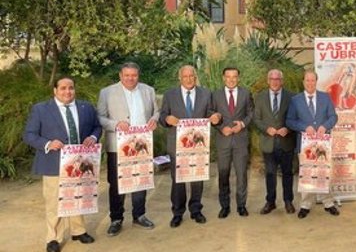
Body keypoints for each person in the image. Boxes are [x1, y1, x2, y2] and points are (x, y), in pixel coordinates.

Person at [23, 77, 102, 252]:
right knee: (54, 201)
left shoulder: (86, 108)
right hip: (53, 163)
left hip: (79, 163)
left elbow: (97, 127)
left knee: (78, 196)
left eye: (71, 88)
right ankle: (54, 238)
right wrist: (48, 143)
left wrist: (94, 137)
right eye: (63, 88)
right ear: (55, 90)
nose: (68, 92)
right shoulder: (41, 109)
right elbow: (29, 135)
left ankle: (78, 231)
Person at [97, 62, 159, 236]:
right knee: (116, 183)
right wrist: (116, 124)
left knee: (141, 180)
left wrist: (154, 120)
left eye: (134, 75)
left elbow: (156, 112)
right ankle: (116, 218)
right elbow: (99, 117)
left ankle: (139, 215)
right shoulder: (107, 92)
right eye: (127, 75)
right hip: (118, 146)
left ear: (138, 75)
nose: (131, 78)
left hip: (141, 146)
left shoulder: (148, 90)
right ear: (120, 75)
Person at [159, 65, 220, 228]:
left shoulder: (206, 93)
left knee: (197, 178)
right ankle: (177, 213)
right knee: (178, 180)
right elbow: (162, 115)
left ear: (195, 77)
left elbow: (211, 113)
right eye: (185, 76)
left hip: (198, 146)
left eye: (191, 76)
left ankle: (196, 210)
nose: (189, 79)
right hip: (177, 145)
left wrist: (216, 117)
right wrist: (167, 119)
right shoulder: (170, 94)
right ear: (180, 78)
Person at [286, 70, 339, 219]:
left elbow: (333, 116)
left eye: (313, 80)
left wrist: (325, 126)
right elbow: (290, 121)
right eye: (307, 80)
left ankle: (328, 202)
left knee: (324, 173)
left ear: (316, 81)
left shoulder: (325, 97)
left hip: (323, 144)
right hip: (305, 145)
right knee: (307, 174)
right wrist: (304, 127)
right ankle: (305, 204)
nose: (310, 83)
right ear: (303, 82)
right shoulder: (295, 100)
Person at [212, 67, 254, 218]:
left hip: (240, 140)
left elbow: (251, 113)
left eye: (234, 76)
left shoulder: (245, 93)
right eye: (228, 76)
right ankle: (225, 206)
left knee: (242, 174)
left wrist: (242, 124)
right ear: (223, 78)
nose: (231, 79)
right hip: (223, 140)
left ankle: (241, 205)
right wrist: (221, 127)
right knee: (223, 174)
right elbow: (211, 114)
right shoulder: (215, 95)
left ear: (238, 78)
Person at [253, 69, 297, 215]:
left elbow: (296, 118)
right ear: (268, 81)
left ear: (282, 81)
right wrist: (266, 129)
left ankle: (288, 201)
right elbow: (256, 119)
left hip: (286, 141)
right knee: (270, 174)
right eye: (272, 79)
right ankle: (270, 202)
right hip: (269, 142)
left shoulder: (292, 97)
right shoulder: (260, 97)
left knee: (287, 173)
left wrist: (288, 129)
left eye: (278, 79)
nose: (275, 81)